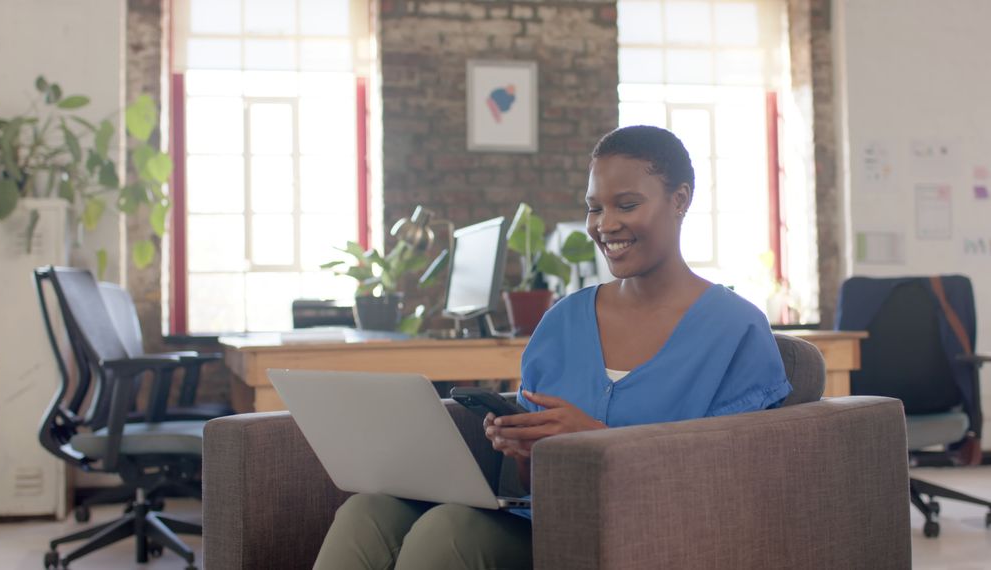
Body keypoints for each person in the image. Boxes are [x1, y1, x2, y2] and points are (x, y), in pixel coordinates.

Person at [312, 125, 793, 570]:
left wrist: (596, 441)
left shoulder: (736, 330)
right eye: (594, 207)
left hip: (648, 536)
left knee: (449, 532)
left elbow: (736, 486)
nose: (605, 225)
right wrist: (524, 449)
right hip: (542, 526)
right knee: (367, 512)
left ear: (680, 199)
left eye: (626, 205)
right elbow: (524, 486)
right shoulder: (563, 321)